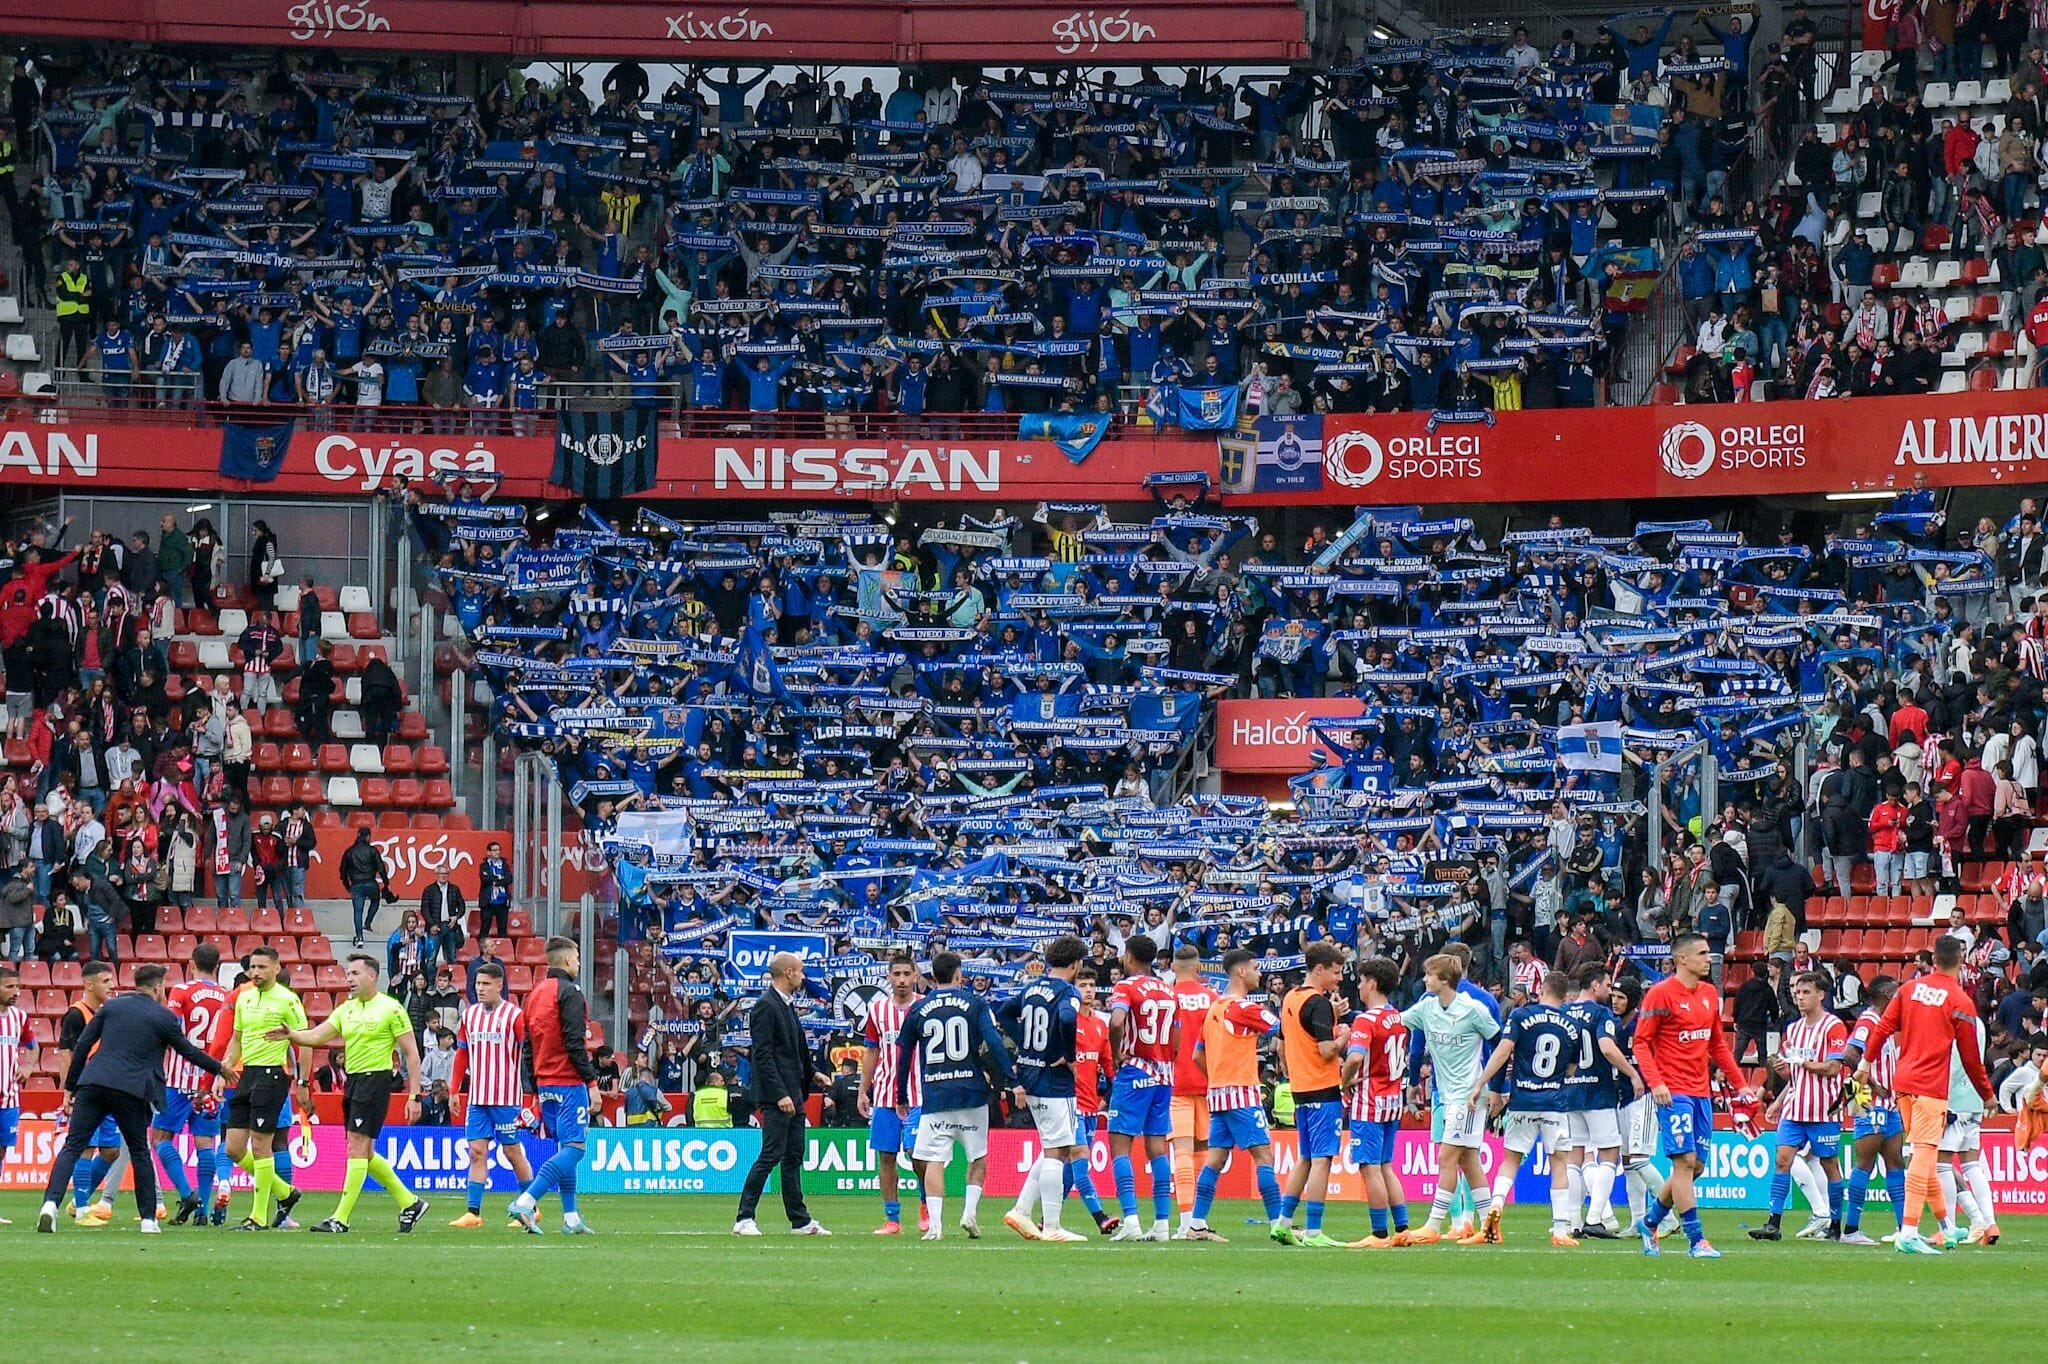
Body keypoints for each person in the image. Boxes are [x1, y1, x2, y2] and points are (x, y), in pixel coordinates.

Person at [35, 962, 226, 1235]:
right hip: (133, 1091)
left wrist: (71, 1086)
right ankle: (148, 1219)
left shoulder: (111, 1007)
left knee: (73, 1146)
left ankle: (49, 1206)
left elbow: (83, 1045)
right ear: (158, 987)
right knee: (139, 1152)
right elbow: (188, 1052)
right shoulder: (164, 1017)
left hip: (94, 1082)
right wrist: (220, 1068)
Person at [1842, 935, 1995, 1254]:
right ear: (1961, 960)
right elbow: (1970, 1059)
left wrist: (1864, 1066)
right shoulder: (1959, 1001)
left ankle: (1946, 1226)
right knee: (1925, 1156)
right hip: (1931, 1088)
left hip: (1903, 1085)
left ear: (1934, 959)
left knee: (1921, 1155)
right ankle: (1908, 1230)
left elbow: (1883, 1028)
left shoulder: (1909, 990)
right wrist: (1988, 1095)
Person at [269, 953, 428, 1234]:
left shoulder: (390, 1008)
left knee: (355, 1147)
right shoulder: (346, 1009)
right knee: (364, 1153)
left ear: (371, 976)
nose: (349, 979)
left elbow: (411, 1055)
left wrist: (414, 1096)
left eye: (354, 973)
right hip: (353, 1082)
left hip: (375, 1082)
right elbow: (317, 1036)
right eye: (348, 974)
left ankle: (340, 1218)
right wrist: (291, 1034)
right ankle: (410, 1202)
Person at [1631, 932, 1755, 1258]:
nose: (1708, 958)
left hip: (1701, 1091)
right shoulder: (1660, 995)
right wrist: (1655, 1082)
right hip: (1672, 1092)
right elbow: (1641, 1043)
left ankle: (1650, 1221)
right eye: (1702, 953)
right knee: (1684, 1162)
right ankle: (1696, 1239)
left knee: (1696, 1166)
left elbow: (1716, 1044)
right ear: (1681, 959)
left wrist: (1740, 1083)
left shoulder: (1709, 994)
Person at [895, 950, 1016, 1241]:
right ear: (959, 975)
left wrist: (901, 1094)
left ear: (932, 977)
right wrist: (1011, 1078)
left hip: (936, 1094)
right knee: (978, 1157)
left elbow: (904, 1055)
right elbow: (994, 1042)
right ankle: (969, 1214)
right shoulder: (975, 1003)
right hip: (972, 1093)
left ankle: (935, 1226)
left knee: (934, 1160)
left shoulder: (919, 1008)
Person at [1471, 970, 1586, 1246]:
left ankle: (1495, 1206)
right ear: (1563, 994)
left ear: (1543, 990)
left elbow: (1503, 1051)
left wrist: (1482, 1083)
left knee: (1510, 1160)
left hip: (1523, 1101)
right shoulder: (1573, 1024)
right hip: (1555, 1105)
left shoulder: (1522, 1015)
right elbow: (1571, 1070)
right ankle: (1560, 1229)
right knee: (1559, 1164)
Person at [1180, 947, 1283, 1243]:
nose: (1259, 973)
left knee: (1214, 1159)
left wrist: (1219, 1074)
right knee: (1264, 1156)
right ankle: (1279, 1223)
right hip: (1241, 1091)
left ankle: (1197, 1224)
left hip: (1217, 1093)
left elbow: (1198, 1055)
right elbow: (1281, 1027)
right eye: (1255, 967)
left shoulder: (1214, 1008)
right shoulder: (1243, 1008)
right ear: (1241, 971)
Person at [994, 934, 1091, 1243]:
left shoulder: (1032, 987)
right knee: (1058, 1150)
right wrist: (1069, 1055)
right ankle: (1052, 1226)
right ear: (1076, 964)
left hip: (1029, 1070)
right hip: (1052, 1077)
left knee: (1052, 1144)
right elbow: (1066, 1017)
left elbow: (1004, 1012)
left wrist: (1025, 1039)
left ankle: (1022, 1209)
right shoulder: (1067, 991)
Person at [732, 951, 830, 1237]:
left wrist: (813, 1073)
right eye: (800, 971)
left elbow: (793, 1051)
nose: (803, 976)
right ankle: (744, 1217)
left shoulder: (785, 1005)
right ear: (788, 973)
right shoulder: (765, 1006)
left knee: (792, 1157)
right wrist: (779, 1094)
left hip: (794, 1093)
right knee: (771, 1154)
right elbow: (762, 1055)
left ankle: (799, 1220)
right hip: (779, 1096)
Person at [508, 936, 601, 1235]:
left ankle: (571, 1217)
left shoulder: (534, 994)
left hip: (545, 1083)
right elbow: (575, 1043)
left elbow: (529, 1047)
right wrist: (591, 1082)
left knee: (565, 1147)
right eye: (576, 958)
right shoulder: (570, 992)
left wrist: (534, 1089)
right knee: (575, 1149)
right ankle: (526, 1201)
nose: (578, 963)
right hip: (568, 1081)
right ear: (566, 960)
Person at [215, 944, 311, 1231]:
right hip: (246, 1076)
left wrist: (303, 1082)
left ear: (276, 968)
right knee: (233, 1147)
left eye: (261, 967)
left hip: (272, 1075)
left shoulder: (287, 1000)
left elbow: (304, 1041)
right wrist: (224, 1069)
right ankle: (285, 1192)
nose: (255, 972)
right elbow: (236, 1038)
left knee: (260, 1145)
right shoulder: (244, 999)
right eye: (252, 967)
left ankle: (257, 1216)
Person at [1749, 971, 1848, 1241]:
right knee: (1782, 1161)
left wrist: (1802, 1063)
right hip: (1795, 1109)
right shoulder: (1792, 1029)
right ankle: (1773, 1223)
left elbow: (1833, 1068)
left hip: (1823, 1109)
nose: (1800, 997)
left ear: (1820, 995)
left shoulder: (1833, 1026)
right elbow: (1793, 1075)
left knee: (1830, 1165)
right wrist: (1781, 1077)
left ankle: (1835, 1224)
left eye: (1806, 992)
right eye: (1797, 993)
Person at [1559, 963, 1643, 1240]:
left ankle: (1572, 1221)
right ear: (1595, 985)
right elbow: (1607, 1048)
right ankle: (1595, 1218)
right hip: (1598, 1091)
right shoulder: (1601, 1014)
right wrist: (1632, 1074)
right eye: (1607, 985)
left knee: (1575, 1156)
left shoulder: (1563, 1011)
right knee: (1609, 1153)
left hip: (1569, 1091)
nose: (1610, 990)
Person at [1272, 941, 1347, 1247]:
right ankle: (1314, 1231)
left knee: (1304, 1158)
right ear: (1319, 970)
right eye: (1336, 972)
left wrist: (1293, 1072)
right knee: (1321, 1160)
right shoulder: (1316, 1003)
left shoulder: (1291, 997)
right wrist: (1345, 1036)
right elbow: (1326, 1049)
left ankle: (1283, 1223)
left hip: (1300, 1088)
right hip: (1322, 1088)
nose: (1339, 979)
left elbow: (1280, 1045)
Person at [151, 942, 231, 1225]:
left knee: (159, 1139)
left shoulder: (182, 991)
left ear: (191, 964)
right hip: (210, 1079)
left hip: (177, 1077)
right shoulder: (226, 996)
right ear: (218, 966)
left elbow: (168, 1028)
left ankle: (187, 1194)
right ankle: (203, 1211)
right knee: (205, 1143)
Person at [1105, 933, 1177, 1241]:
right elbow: (1176, 1034)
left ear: (1130, 958)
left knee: (1120, 1146)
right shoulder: (1167, 990)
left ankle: (1131, 1220)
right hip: (1164, 1074)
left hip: (1135, 1070)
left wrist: (1116, 1053)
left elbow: (1117, 1022)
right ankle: (1161, 1224)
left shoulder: (1126, 986)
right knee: (1157, 1149)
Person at [1338, 955, 1409, 1248]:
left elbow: (1355, 1057)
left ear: (1372, 983)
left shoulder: (1365, 1020)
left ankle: (1379, 1234)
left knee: (1371, 1168)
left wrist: (1344, 1080)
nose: (1359, 987)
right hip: (1393, 1098)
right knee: (1386, 1165)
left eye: (1362, 981)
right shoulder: (1398, 1017)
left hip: (1369, 1099)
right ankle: (1402, 1229)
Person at [856, 952, 926, 1235]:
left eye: (906, 974)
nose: (901, 980)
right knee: (886, 1156)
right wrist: (864, 1089)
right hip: (885, 1094)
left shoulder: (926, 1006)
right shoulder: (877, 1010)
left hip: (919, 1094)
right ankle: (892, 1219)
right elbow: (872, 1050)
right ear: (888, 977)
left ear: (916, 976)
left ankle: (926, 1207)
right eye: (896, 974)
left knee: (917, 1155)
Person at [1838, 973, 1907, 1245]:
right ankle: (1851, 1229)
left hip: (1889, 1105)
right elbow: (1849, 1054)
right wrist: (1873, 1084)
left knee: (1895, 1164)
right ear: (1887, 995)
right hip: (1870, 1102)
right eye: (1897, 993)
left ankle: (1906, 1229)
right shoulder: (1869, 1021)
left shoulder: (1886, 1025)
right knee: (1864, 1164)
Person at [54, 961, 122, 1224]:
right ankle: (82, 1210)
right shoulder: (76, 1014)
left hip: (107, 1088)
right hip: (86, 1089)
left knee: (111, 1151)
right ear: (89, 984)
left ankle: (78, 1198)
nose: (111, 986)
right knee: (85, 1147)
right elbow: (65, 1054)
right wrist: (68, 1090)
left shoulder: (107, 1012)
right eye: (106, 981)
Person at [1165, 943, 1218, 1236]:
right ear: (1199, 969)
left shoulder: (1168, 997)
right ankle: (1198, 1220)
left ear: (1173, 967)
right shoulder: (1212, 998)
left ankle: (1186, 1220)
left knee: (1182, 1151)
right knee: (1202, 1153)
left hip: (1175, 1082)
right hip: (1208, 1083)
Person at [340, 827, 389, 947]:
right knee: (375, 901)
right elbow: (381, 868)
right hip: (370, 882)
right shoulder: (372, 850)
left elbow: (343, 871)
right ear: (368, 837)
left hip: (356, 884)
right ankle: (368, 922)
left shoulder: (350, 851)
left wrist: (347, 885)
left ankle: (359, 936)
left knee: (357, 911)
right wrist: (386, 882)